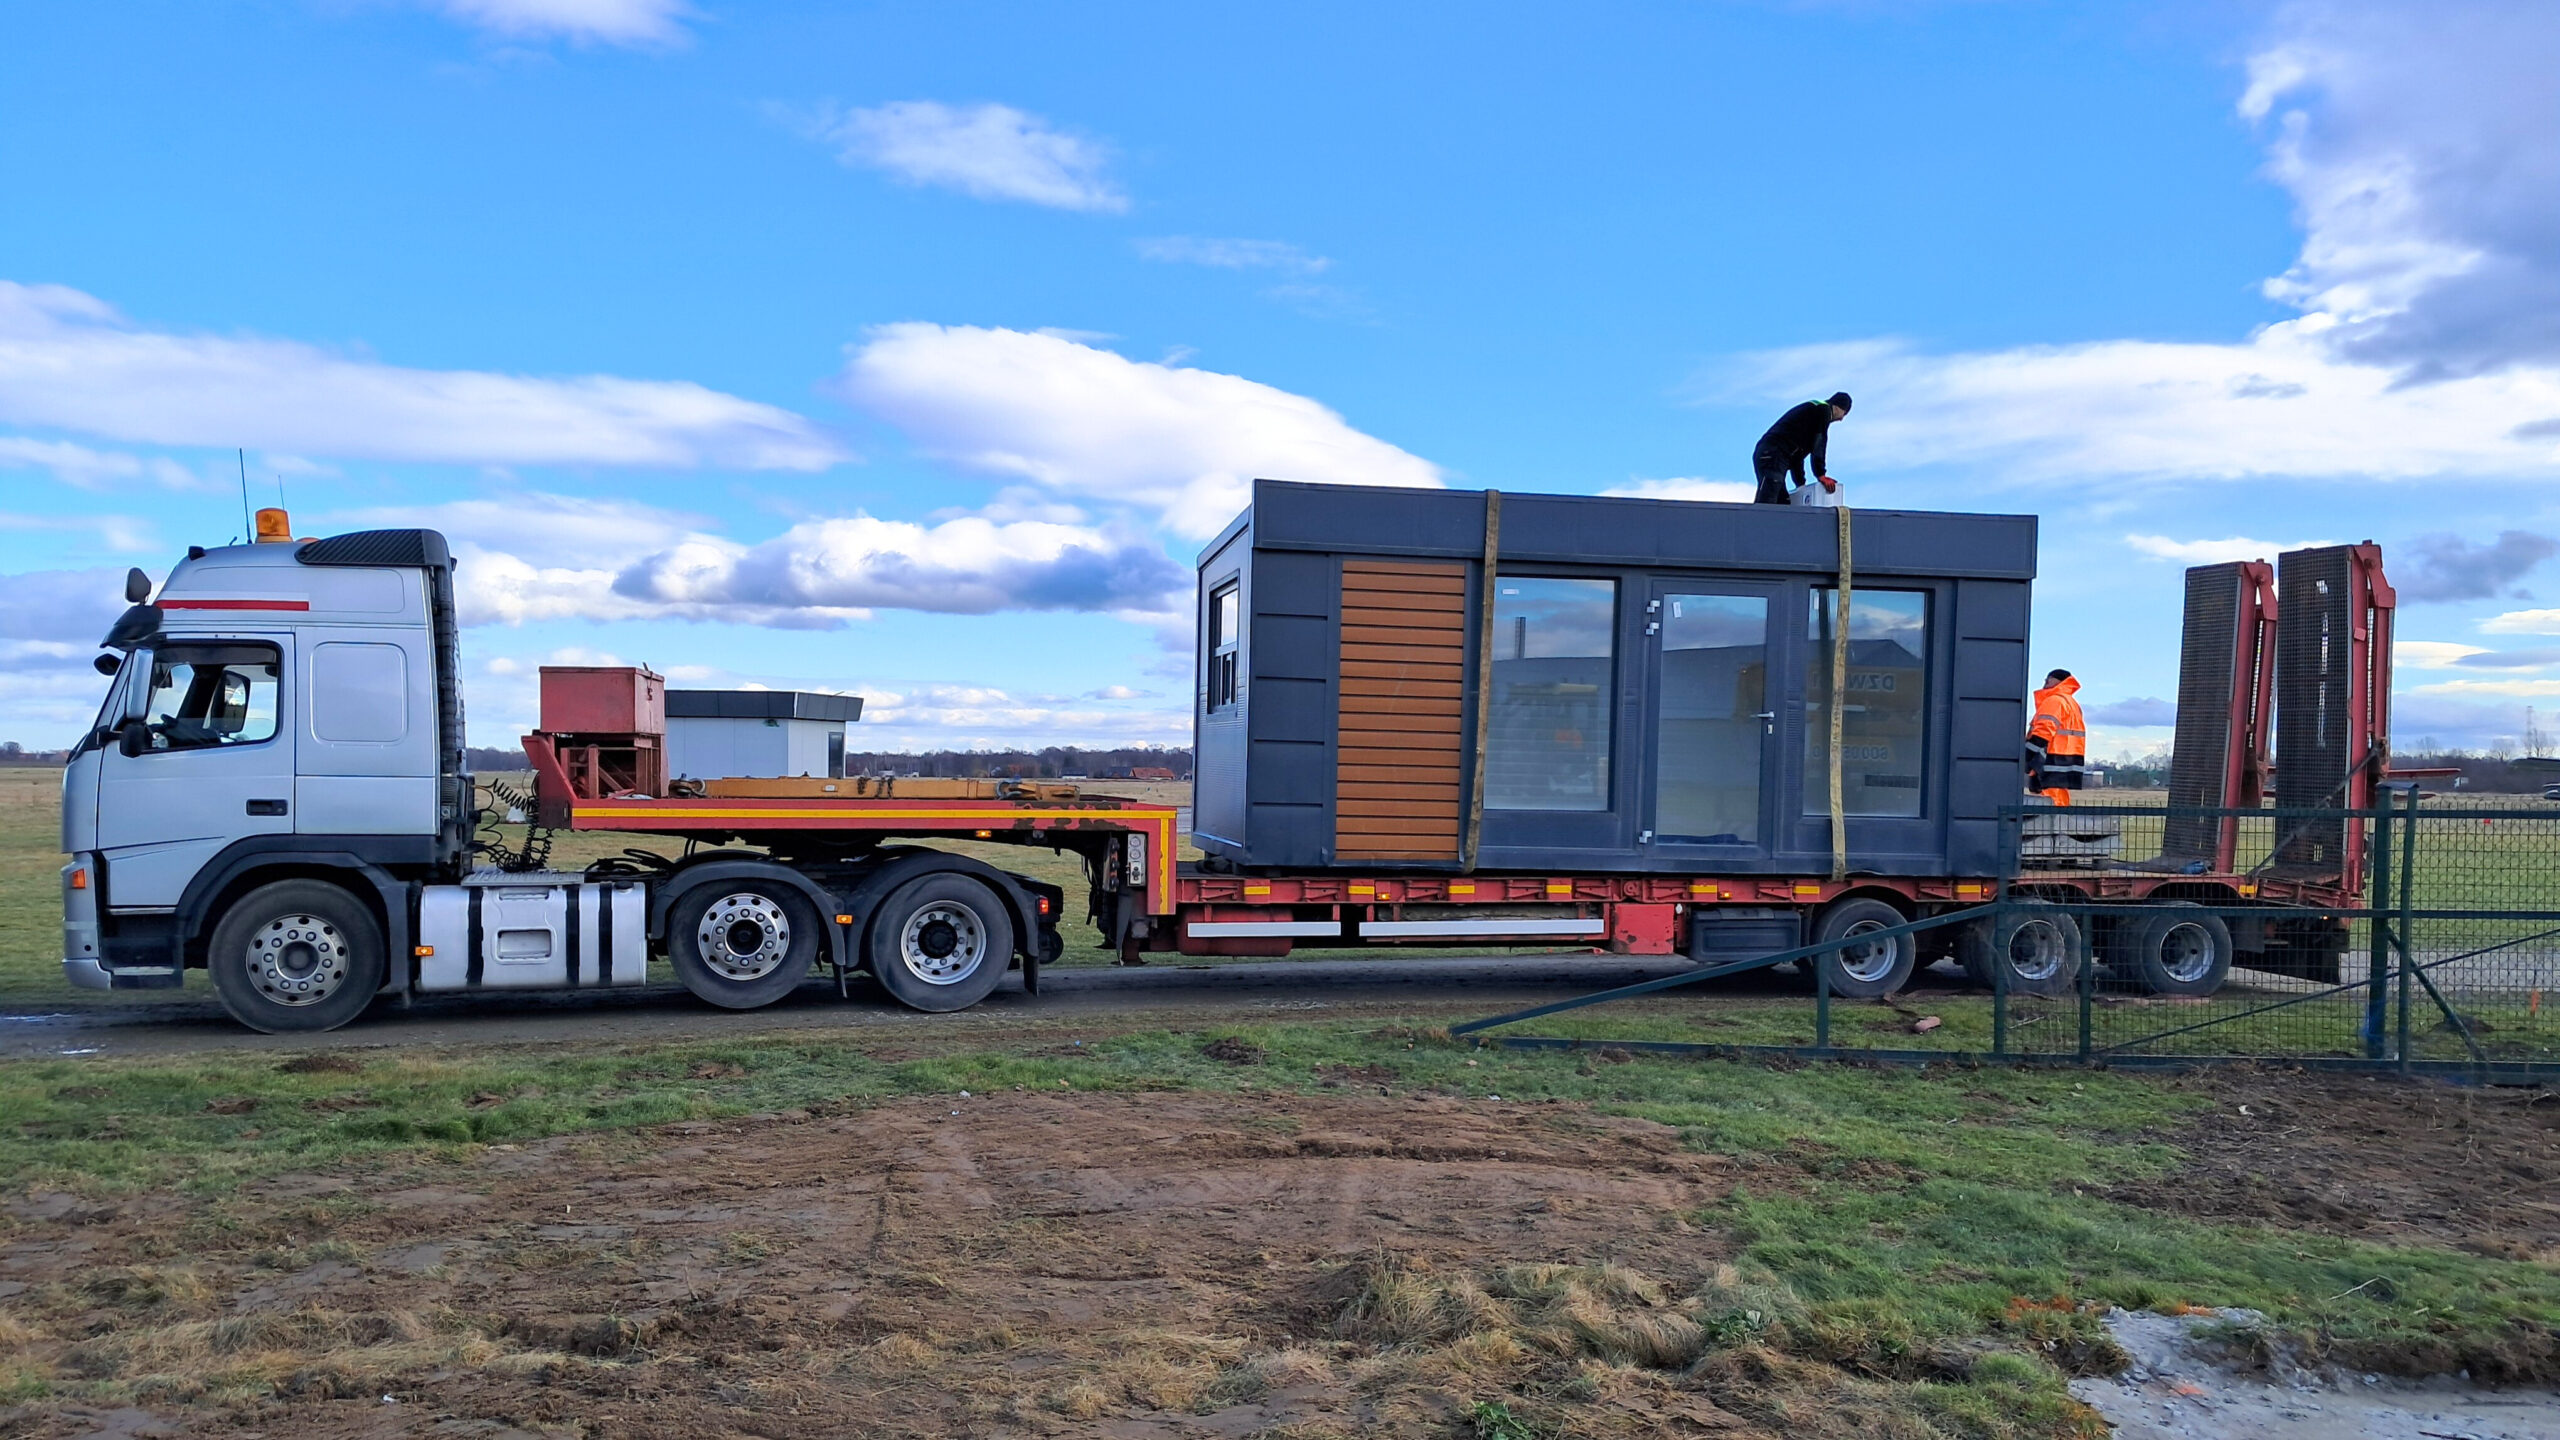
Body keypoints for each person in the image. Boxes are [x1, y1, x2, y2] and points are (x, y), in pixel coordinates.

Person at [1752, 391, 1852, 505]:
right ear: (1838, 407)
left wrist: (1800, 484)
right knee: (1769, 497)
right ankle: (1756, 516)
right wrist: (1821, 474)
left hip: (1772, 454)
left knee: (1782, 502)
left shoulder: (1810, 418)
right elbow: (1820, 443)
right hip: (1773, 453)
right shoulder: (1823, 410)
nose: (1841, 419)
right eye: (1844, 413)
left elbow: (1797, 457)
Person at [2025, 669, 2086, 805]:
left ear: (2058, 681)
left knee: (2049, 805)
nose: (2045, 683)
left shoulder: (2054, 701)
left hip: (2050, 761)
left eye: (2048, 680)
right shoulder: (2071, 703)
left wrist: (2026, 755)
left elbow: (2043, 731)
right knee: (2059, 801)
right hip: (2065, 761)